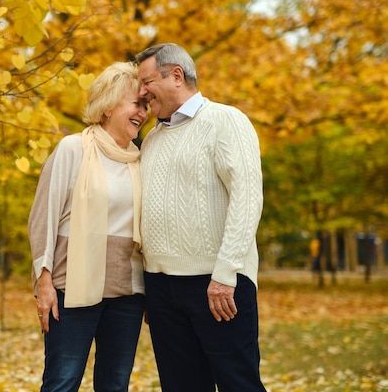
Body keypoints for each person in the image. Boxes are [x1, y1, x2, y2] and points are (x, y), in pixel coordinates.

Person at [135, 43, 267, 392]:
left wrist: (225, 274)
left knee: (238, 384)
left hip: (217, 284)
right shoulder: (151, 140)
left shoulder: (226, 120)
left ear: (176, 75)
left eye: (147, 82)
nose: (141, 92)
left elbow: (247, 197)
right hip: (162, 289)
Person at [28, 61, 149, 392]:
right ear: (109, 106)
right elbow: (43, 219)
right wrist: (44, 282)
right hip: (72, 291)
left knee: (114, 385)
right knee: (62, 384)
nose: (144, 111)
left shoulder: (140, 159)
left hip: (127, 295)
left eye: (146, 105)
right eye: (136, 103)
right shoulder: (74, 149)